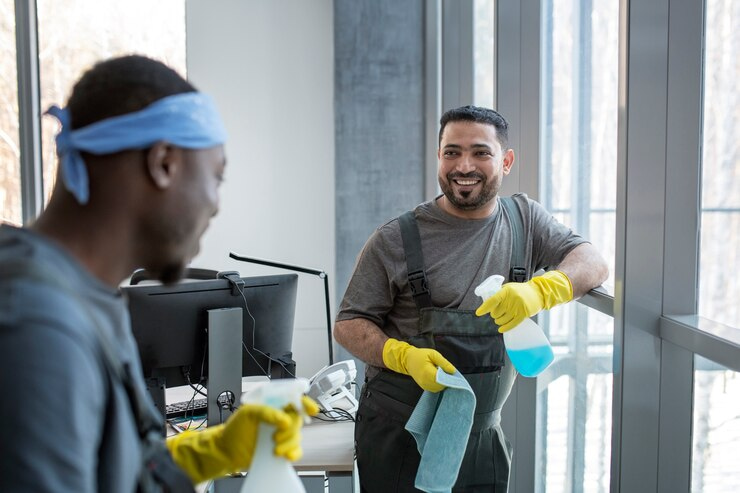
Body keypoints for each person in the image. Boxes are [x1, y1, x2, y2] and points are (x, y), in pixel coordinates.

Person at [0, 55, 317, 492]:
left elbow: (115, 469)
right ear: (164, 162)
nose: (215, 204)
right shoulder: (38, 325)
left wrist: (215, 450)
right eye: (216, 176)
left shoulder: (87, 298)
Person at [334, 105, 609, 492]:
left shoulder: (525, 220)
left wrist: (542, 290)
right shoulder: (396, 237)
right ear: (439, 158)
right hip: (399, 433)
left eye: (481, 152)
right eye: (452, 152)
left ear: (506, 160)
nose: (464, 166)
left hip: (481, 437)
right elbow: (348, 324)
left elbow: (593, 263)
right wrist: (402, 356)